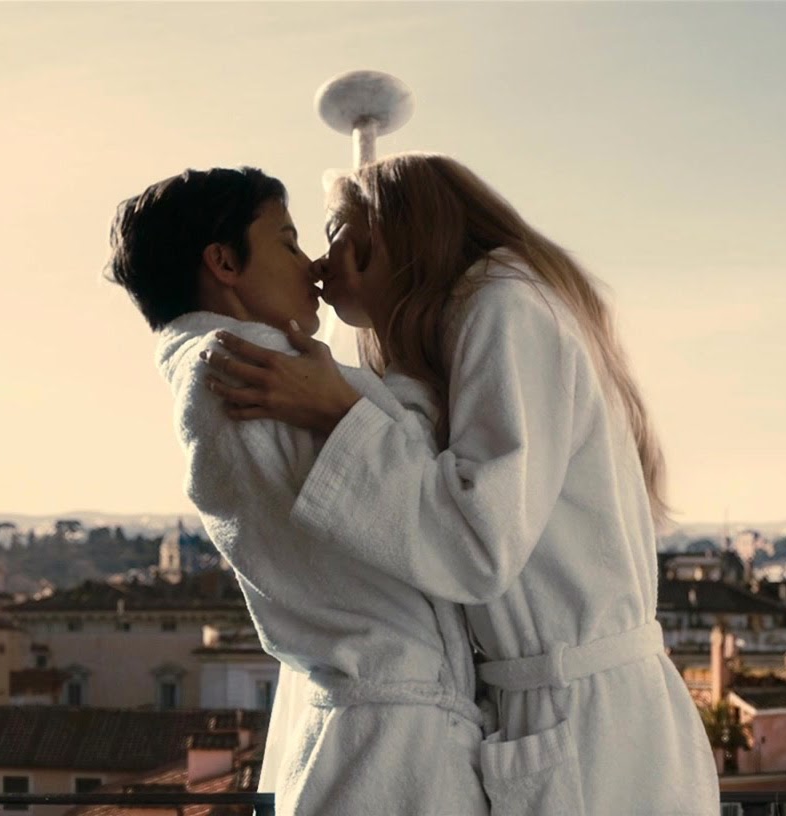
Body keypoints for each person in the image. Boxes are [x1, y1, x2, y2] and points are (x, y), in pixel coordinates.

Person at [202, 153, 721, 815]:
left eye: (334, 234)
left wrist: (338, 412)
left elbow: (478, 545)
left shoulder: (503, 304)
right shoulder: (480, 317)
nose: (320, 264)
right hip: (575, 716)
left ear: (396, 230)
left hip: (587, 727)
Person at [106, 166, 489, 816]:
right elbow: (429, 481)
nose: (311, 265)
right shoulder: (249, 365)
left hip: (376, 738)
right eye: (286, 242)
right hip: (390, 751)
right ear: (225, 262)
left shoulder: (214, 371)